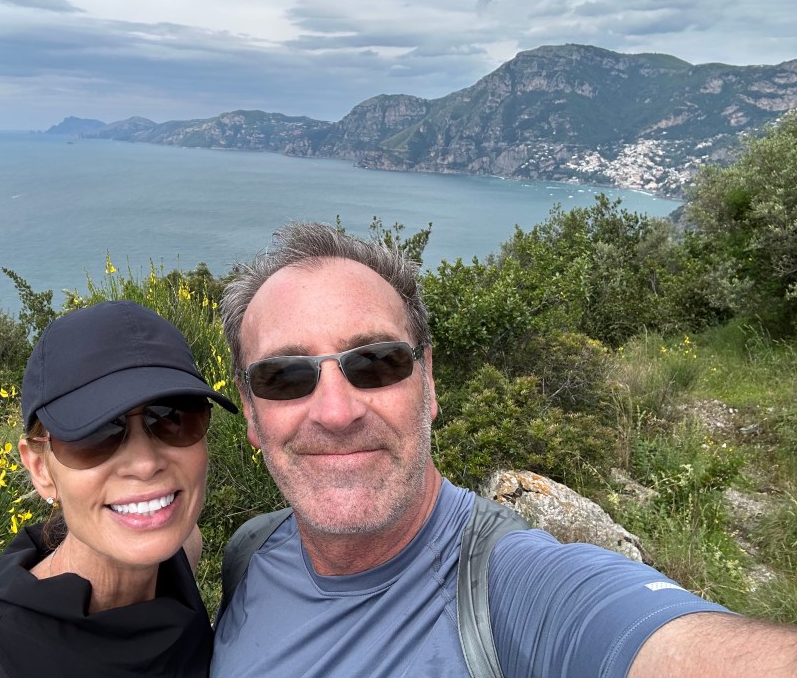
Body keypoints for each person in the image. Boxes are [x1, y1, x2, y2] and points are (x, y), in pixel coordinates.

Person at [211, 221, 797, 678]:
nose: (337, 413)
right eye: (284, 377)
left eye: (376, 363)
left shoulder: (514, 591)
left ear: (428, 382)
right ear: (251, 412)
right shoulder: (252, 553)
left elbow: (651, 640)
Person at [0, 300, 237, 678]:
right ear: (40, 468)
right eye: (97, 433)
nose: (144, 463)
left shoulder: (180, 552)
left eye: (173, 417)